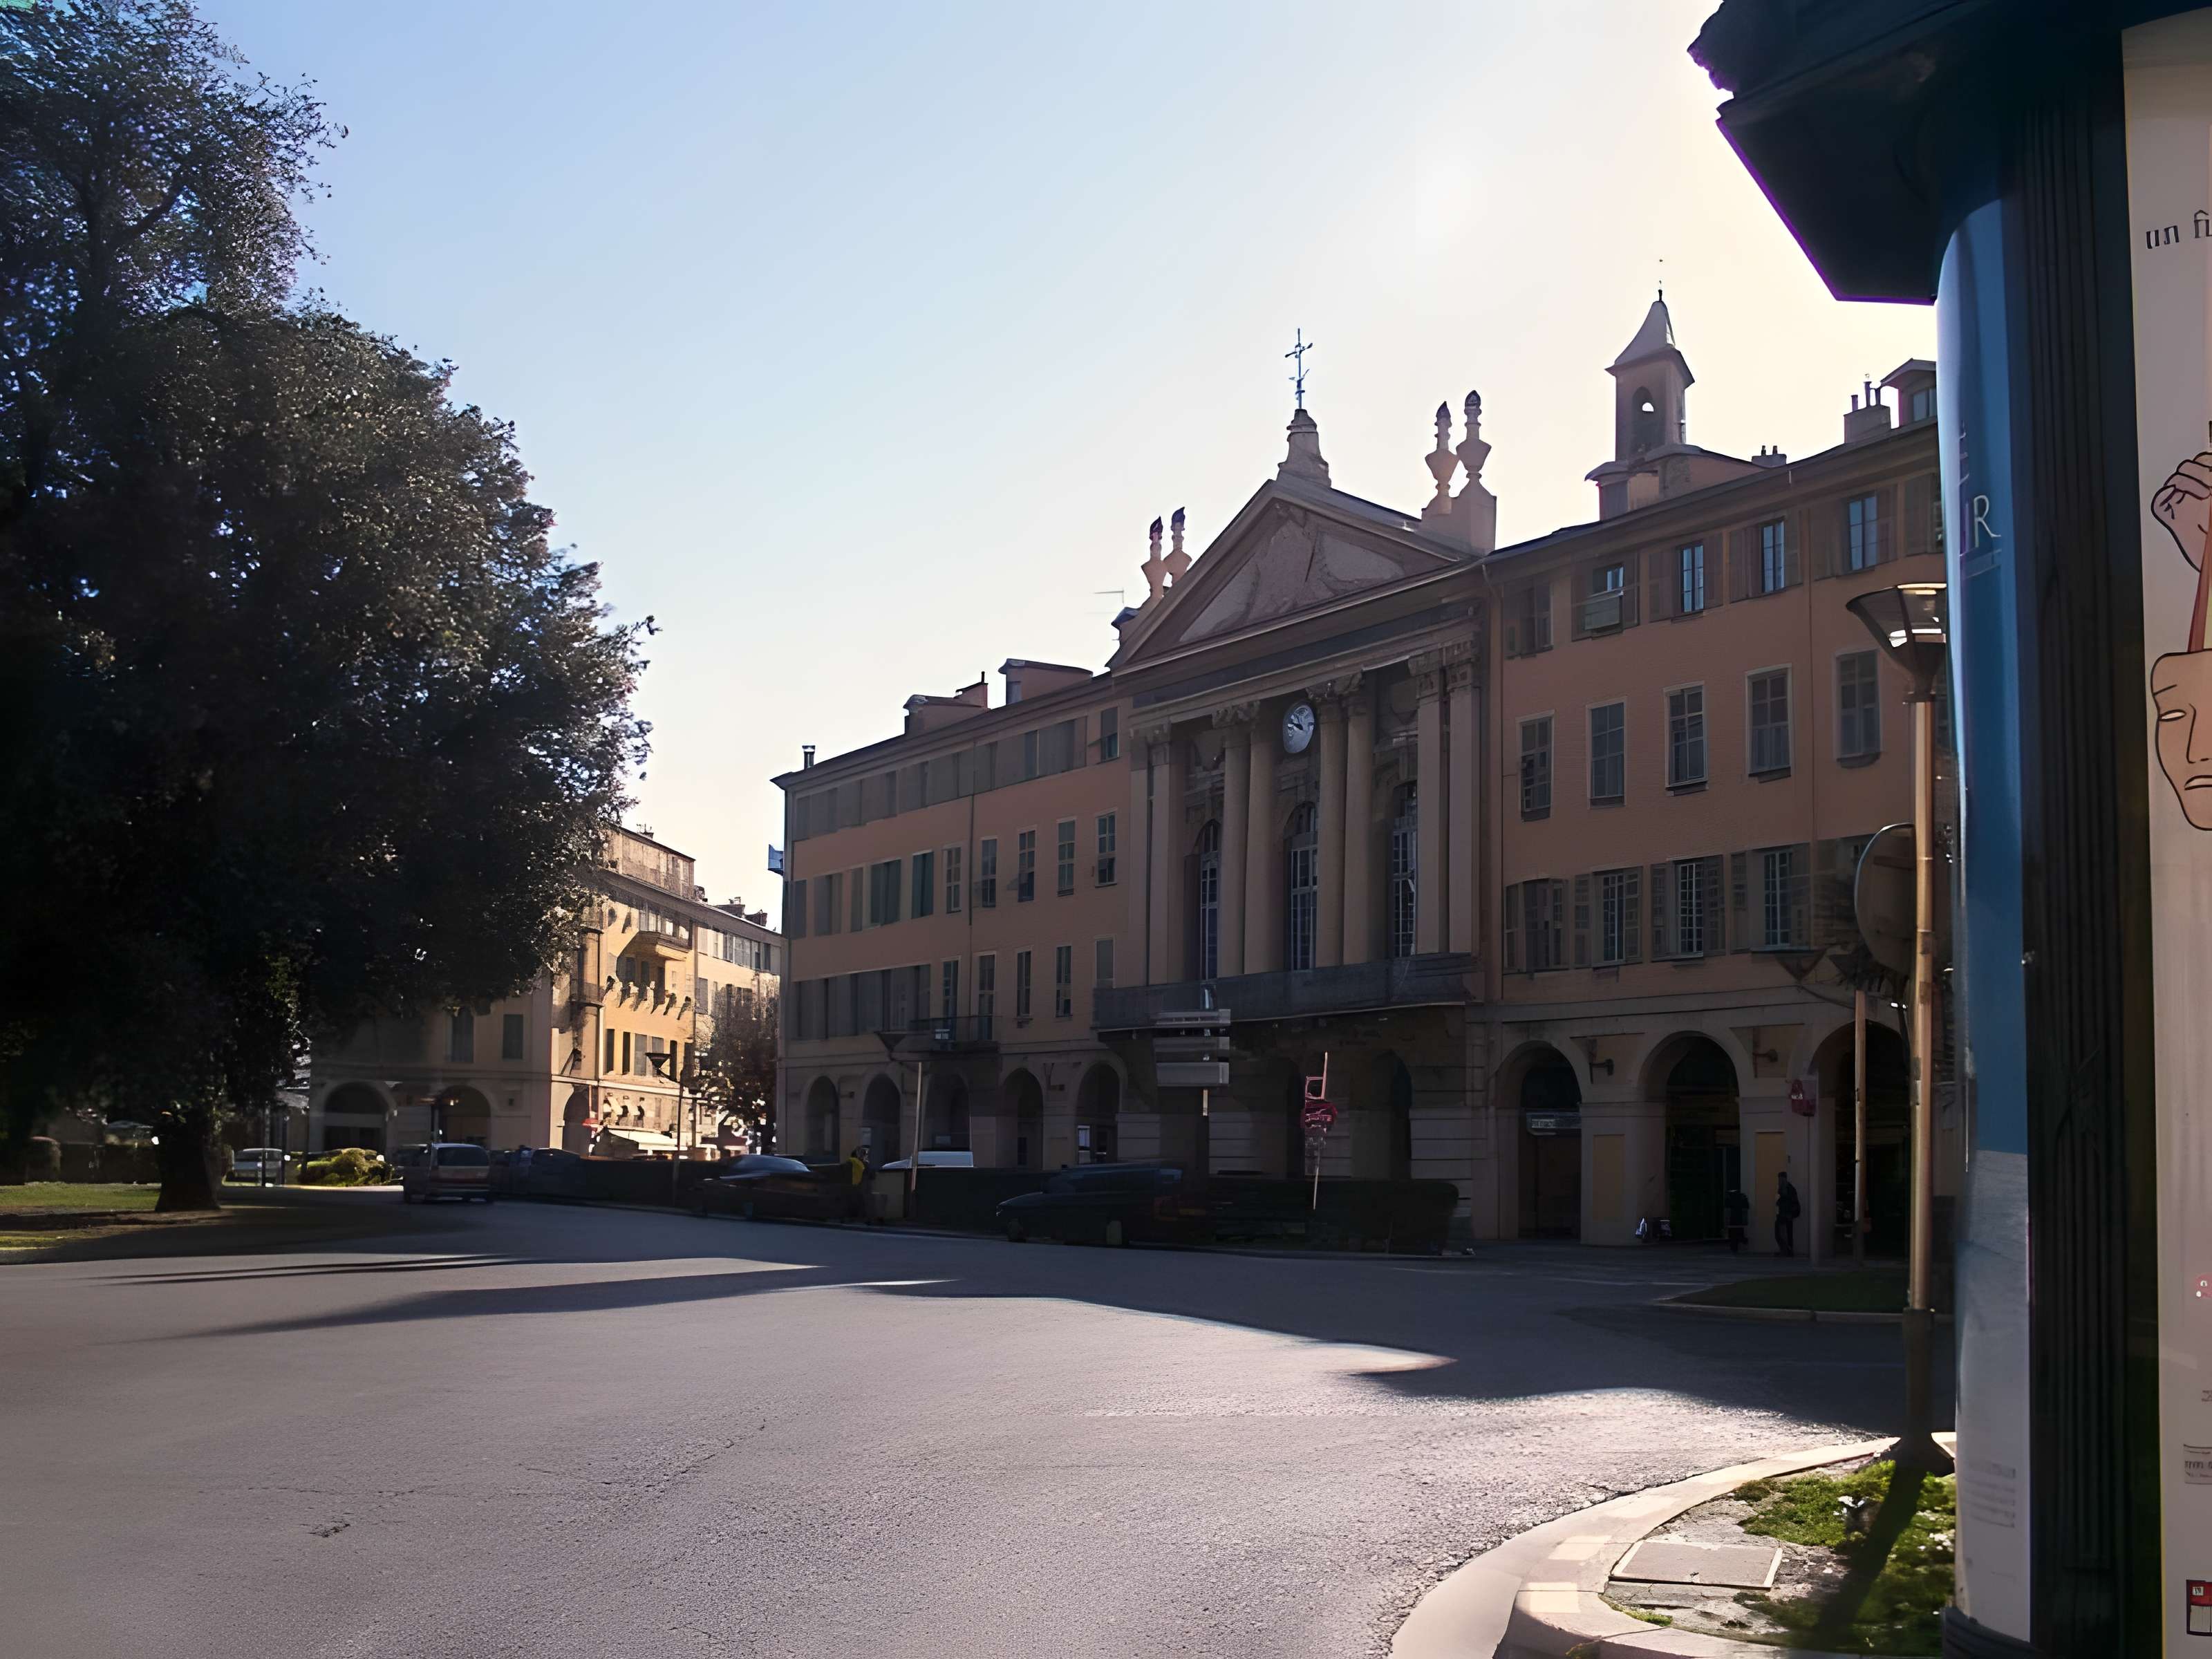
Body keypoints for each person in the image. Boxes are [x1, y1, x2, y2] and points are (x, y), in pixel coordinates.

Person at [1774, 1171, 1802, 1257]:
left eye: (1781, 1179)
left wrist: (1791, 1214)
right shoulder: (1782, 1188)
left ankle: (1787, 1251)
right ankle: (1785, 1250)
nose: (1780, 1181)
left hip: (1787, 1215)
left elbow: (1793, 1202)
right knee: (1780, 1233)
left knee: (1785, 1233)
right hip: (1783, 1215)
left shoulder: (1789, 1189)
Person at [844, 1143, 869, 1221]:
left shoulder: (850, 1162)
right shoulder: (864, 1164)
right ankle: (862, 1217)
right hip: (861, 1185)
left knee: (853, 1201)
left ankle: (852, 1217)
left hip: (852, 1184)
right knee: (862, 1202)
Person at [1723, 1185, 1751, 1255]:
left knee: (1733, 1235)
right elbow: (1746, 1209)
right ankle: (1741, 1242)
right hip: (1739, 1219)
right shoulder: (1742, 1197)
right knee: (1739, 1233)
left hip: (1733, 1220)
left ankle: (1735, 1247)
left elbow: (1727, 1211)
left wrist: (1726, 1221)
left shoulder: (1729, 1198)